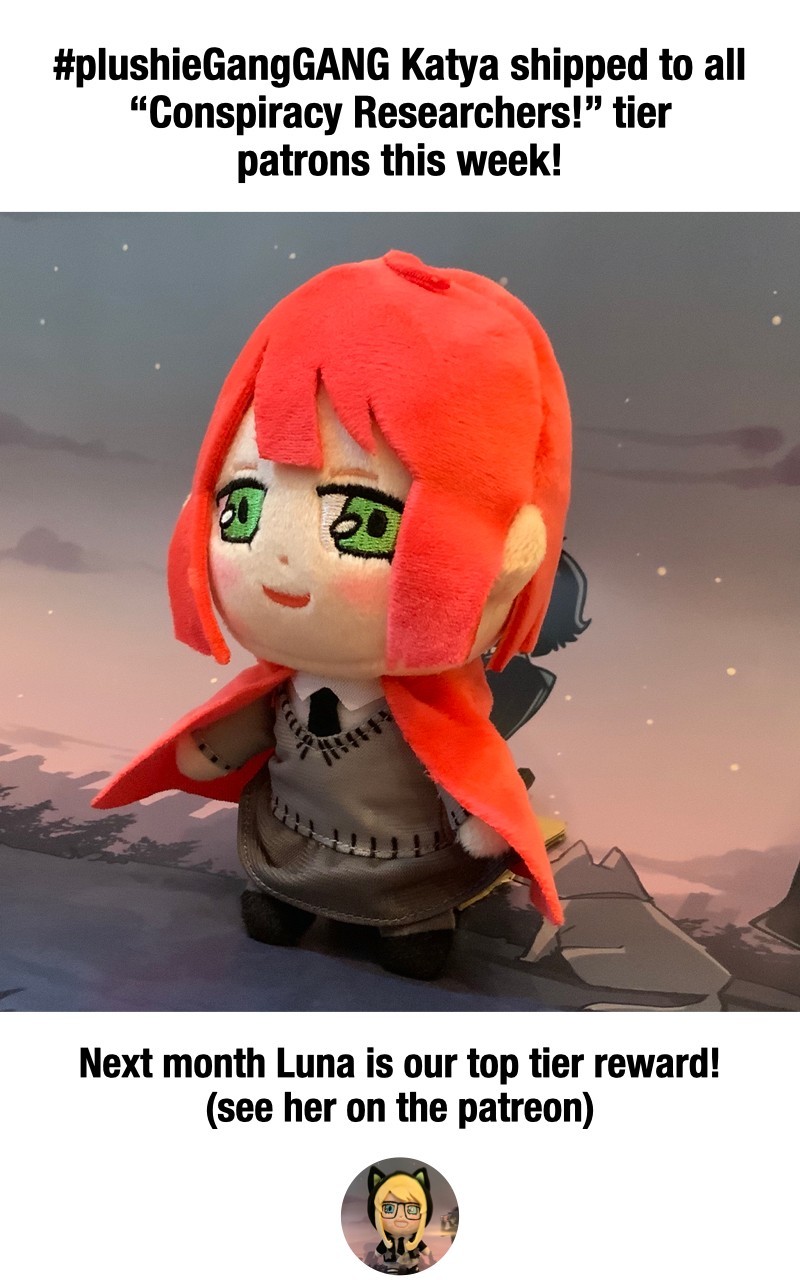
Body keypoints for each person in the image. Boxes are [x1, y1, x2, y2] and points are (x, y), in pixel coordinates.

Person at [93, 250, 572, 979]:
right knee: (275, 900)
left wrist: (486, 815)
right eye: (243, 507)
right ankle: (287, 895)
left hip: (405, 868)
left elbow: (463, 767)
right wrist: (216, 747)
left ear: (510, 553)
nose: (281, 559)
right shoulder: (282, 685)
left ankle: (412, 918)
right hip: (289, 842)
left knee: (413, 934)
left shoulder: (431, 710)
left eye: (365, 522)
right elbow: (246, 727)